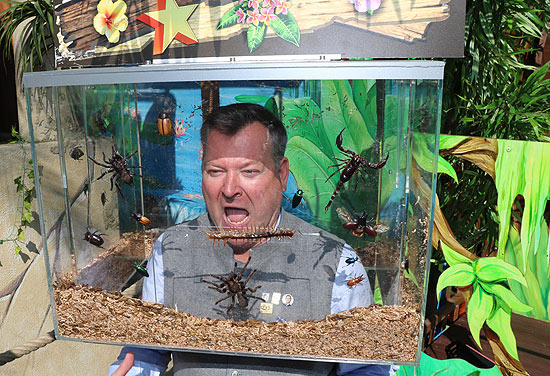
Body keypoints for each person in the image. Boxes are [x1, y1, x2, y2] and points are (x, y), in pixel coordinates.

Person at [109, 103, 397, 376]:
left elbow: (364, 367)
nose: (230, 188)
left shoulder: (338, 263)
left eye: (249, 171)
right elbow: (145, 351)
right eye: (215, 171)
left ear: (282, 175)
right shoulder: (170, 250)